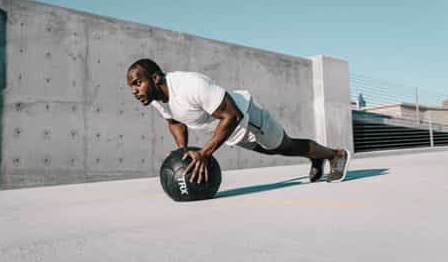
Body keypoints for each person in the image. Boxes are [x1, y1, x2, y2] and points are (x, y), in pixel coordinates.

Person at [126, 58, 350, 184]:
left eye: (137, 83)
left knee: (286, 146)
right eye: (131, 87)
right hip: (231, 131)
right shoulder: (157, 98)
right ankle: (315, 157)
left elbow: (232, 116)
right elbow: (174, 121)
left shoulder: (190, 85)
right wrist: (183, 152)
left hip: (247, 117)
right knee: (275, 151)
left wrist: (204, 154)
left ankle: (335, 154)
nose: (135, 91)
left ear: (155, 78)